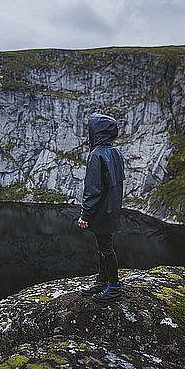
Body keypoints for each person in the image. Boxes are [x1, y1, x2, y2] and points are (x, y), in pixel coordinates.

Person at [78, 113, 125, 302]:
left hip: (100, 210)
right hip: (111, 208)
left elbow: (93, 188)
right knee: (103, 246)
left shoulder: (96, 154)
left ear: (97, 132)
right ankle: (102, 281)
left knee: (105, 248)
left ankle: (114, 287)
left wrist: (85, 215)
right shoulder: (115, 152)